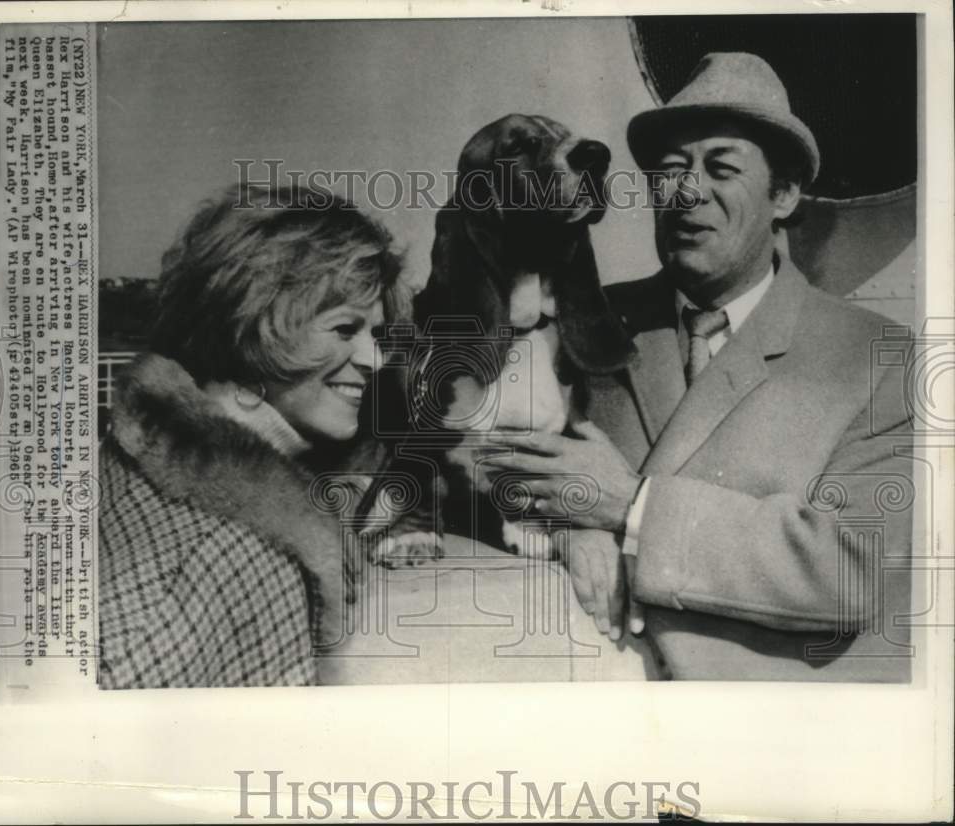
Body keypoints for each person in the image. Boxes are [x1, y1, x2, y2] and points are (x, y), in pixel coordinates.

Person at [481, 53, 913, 681]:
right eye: (672, 169)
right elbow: (484, 465)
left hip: (767, 744)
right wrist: (569, 530)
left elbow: (851, 571)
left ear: (785, 194)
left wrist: (633, 508)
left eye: (721, 168)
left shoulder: (881, 357)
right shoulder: (580, 322)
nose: (687, 192)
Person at [97, 184, 410, 688]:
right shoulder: (226, 553)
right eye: (345, 329)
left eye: (378, 335)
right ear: (252, 326)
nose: (377, 361)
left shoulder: (130, 454)